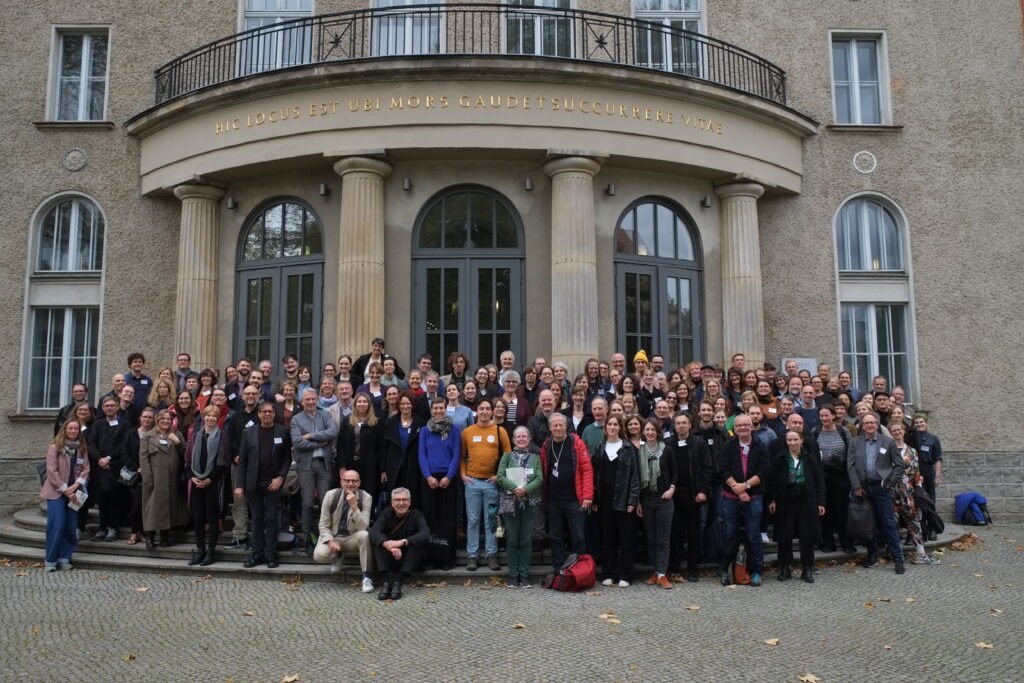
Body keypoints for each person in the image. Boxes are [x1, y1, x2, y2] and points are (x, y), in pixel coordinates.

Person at [847, 413, 906, 574]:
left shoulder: (887, 441)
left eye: (872, 422)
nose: (869, 425)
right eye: (866, 423)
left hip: (882, 488)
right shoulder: (855, 442)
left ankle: (898, 558)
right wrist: (856, 486)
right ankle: (872, 556)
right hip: (863, 488)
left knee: (889, 523)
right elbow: (850, 466)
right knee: (868, 523)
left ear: (877, 424)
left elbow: (899, 465)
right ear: (861, 426)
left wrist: (890, 482)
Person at [235, 402, 291, 569]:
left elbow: (287, 458)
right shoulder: (248, 432)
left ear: (274, 413)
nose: (267, 414)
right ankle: (256, 554)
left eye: (270, 411)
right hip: (253, 483)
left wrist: (281, 477)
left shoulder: (282, 431)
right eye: (264, 412)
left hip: (273, 483)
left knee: (272, 518)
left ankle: (271, 554)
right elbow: (242, 460)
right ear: (258, 414)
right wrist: (240, 485)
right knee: (257, 519)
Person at [718, 414, 769, 587]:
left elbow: (764, 472)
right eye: (739, 425)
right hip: (730, 496)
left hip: (754, 496)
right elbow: (723, 469)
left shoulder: (760, 446)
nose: (742, 428)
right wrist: (737, 489)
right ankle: (725, 570)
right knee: (728, 534)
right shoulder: (728, 445)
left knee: (754, 535)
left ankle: (756, 571)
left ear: (752, 426)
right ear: (735, 428)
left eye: (746, 425)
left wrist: (745, 486)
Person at [768, 429, 826, 582]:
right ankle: (785, 567)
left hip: (806, 499)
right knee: (784, 535)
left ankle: (807, 568)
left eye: (795, 440)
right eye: (789, 440)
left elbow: (819, 481)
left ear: (802, 440)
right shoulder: (779, 459)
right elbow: (772, 481)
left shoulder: (810, 459)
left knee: (806, 535)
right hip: (785, 499)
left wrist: (820, 502)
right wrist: (772, 499)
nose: (792, 443)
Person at [460, 398, 511, 571]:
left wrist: (499, 476)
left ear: (491, 411)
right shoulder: (467, 432)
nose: (484, 412)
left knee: (492, 520)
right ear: (477, 411)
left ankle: (491, 554)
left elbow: (508, 456)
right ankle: (472, 555)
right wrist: (463, 476)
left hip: (492, 483)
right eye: (481, 409)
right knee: (473, 521)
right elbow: (461, 456)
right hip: (472, 482)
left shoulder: (499, 430)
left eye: (487, 408)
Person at [590, 416, 638, 588]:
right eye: (609, 424)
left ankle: (626, 574)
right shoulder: (600, 447)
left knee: (626, 538)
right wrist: (594, 497)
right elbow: (594, 474)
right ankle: (609, 573)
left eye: (615, 424)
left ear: (620, 427)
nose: (611, 427)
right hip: (605, 498)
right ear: (606, 427)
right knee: (608, 537)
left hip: (624, 498)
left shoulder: (628, 448)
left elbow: (634, 476)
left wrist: (632, 499)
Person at [290, 388, 340, 553]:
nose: (310, 402)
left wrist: (311, 436)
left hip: (324, 464)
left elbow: (332, 432)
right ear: (302, 401)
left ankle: (326, 536)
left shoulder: (325, 415)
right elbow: (298, 443)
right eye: (307, 400)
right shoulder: (296, 419)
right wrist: (321, 442)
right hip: (306, 466)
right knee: (307, 503)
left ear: (317, 399)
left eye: (313, 399)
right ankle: (307, 538)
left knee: (326, 502)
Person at [666, 412, 713, 582]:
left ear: (690, 425)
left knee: (693, 533)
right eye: (678, 423)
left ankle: (693, 570)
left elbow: (707, 468)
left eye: (684, 423)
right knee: (674, 533)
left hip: (694, 494)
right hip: (673, 495)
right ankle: (676, 568)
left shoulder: (699, 443)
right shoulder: (668, 444)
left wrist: (703, 491)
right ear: (674, 426)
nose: (681, 426)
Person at [418, 397, 462, 570]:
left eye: (441, 408)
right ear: (431, 410)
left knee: (447, 519)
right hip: (429, 478)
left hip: (447, 478)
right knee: (430, 517)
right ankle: (430, 557)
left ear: (446, 408)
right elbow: (422, 455)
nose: (438, 411)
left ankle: (446, 559)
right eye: (435, 408)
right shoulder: (424, 431)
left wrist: (449, 477)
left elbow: (457, 455)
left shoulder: (455, 430)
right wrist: (428, 476)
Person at [497, 426, 544, 587]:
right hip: (510, 502)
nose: (522, 439)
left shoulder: (535, 457)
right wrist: (515, 489)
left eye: (525, 436)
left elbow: (539, 478)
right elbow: (500, 476)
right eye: (519, 436)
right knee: (512, 540)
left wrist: (525, 490)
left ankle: (524, 574)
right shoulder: (507, 456)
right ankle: (512, 574)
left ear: (529, 439)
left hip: (529, 503)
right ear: (514, 440)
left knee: (525, 540)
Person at [184, 405, 231, 566]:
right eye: (208, 415)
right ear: (203, 417)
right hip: (196, 482)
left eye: (214, 416)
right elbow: (188, 460)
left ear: (217, 419)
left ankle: (211, 552)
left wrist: (210, 479)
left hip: (214, 483)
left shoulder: (222, 436)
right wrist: (193, 477)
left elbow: (223, 462)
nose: (210, 418)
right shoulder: (195, 436)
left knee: (212, 518)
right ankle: (200, 551)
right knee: (197, 518)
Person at [889, 421, 941, 566]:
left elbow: (916, 471)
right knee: (893, 521)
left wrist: (918, 488)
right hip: (891, 491)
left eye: (899, 429)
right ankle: (896, 553)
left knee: (914, 520)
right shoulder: (887, 449)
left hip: (908, 490)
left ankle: (921, 553)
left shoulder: (911, 451)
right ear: (890, 432)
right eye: (894, 430)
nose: (897, 432)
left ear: (904, 431)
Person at [314, 470, 375, 592]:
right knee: (319, 555)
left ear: (359, 483)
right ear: (341, 482)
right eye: (347, 480)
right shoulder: (330, 495)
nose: (350, 484)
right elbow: (323, 524)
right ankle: (338, 556)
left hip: (352, 537)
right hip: (334, 536)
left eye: (354, 481)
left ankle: (367, 577)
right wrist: (330, 541)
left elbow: (363, 526)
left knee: (365, 535)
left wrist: (354, 505)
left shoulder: (366, 497)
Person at [41, 420, 90, 571]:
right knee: (57, 525)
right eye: (70, 428)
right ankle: (50, 560)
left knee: (70, 527)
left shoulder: (81, 449)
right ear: (65, 430)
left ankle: (64, 558)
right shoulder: (55, 448)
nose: (73, 431)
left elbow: (86, 469)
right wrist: (65, 489)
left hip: (75, 494)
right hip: (56, 492)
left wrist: (75, 486)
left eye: (76, 428)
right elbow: (51, 471)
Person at [634, 417, 675, 589]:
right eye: (647, 430)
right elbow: (635, 477)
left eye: (653, 430)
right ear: (643, 432)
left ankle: (662, 574)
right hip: (646, 499)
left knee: (663, 539)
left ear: (657, 431)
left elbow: (675, 472)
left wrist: (672, 488)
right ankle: (656, 571)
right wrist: (637, 502)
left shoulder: (667, 450)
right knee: (650, 539)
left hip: (664, 498)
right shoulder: (639, 452)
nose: (650, 432)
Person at [369, 487, 429, 600]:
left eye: (404, 499)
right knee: (378, 543)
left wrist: (402, 542)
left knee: (417, 544)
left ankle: (398, 583)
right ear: (392, 502)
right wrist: (388, 545)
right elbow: (374, 531)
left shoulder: (416, 514)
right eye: (397, 500)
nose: (401, 503)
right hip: (391, 558)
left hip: (410, 560)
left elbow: (425, 533)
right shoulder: (387, 513)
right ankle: (385, 583)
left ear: (410, 502)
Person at [140, 409, 187, 548]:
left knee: (168, 507)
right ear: (157, 419)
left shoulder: (177, 434)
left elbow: (186, 454)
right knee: (151, 507)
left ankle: (165, 536)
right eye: (163, 419)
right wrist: (148, 478)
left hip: (172, 478)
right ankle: (150, 536)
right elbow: (143, 458)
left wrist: (178, 443)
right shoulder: (147, 436)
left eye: (169, 419)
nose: (166, 421)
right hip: (154, 477)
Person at [813, 404, 853, 552]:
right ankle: (827, 543)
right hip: (823, 477)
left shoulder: (844, 432)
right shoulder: (815, 432)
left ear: (834, 415)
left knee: (843, 511)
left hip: (841, 477)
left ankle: (846, 543)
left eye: (827, 415)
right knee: (825, 511)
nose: (824, 418)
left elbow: (850, 454)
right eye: (821, 416)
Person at [338, 392, 383, 507]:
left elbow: (381, 447)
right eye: (359, 401)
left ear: (369, 405)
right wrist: (342, 466)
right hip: (350, 464)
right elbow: (340, 446)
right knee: (350, 493)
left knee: (368, 495)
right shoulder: (347, 421)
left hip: (369, 466)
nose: (362, 404)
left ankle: (367, 521)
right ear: (355, 404)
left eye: (364, 401)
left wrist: (376, 464)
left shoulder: (376, 423)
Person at [381, 391, 425, 505]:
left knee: (412, 496)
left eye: (408, 403)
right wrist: (383, 470)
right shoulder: (391, 422)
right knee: (395, 496)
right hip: (394, 466)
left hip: (413, 466)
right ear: (399, 405)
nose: (405, 406)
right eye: (402, 404)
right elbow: (385, 446)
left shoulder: (420, 423)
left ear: (412, 405)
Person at [120, 407, 154, 545]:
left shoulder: (154, 434)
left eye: (150, 417)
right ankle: (135, 532)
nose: (147, 419)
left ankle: (144, 532)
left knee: (147, 506)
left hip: (151, 474)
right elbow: (124, 452)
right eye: (145, 417)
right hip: (135, 476)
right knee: (136, 505)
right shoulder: (132, 433)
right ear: (140, 418)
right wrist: (136, 468)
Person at [913, 414, 943, 540]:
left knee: (930, 500)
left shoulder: (933, 439)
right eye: (917, 423)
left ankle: (932, 529)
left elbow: (937, 458)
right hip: (915, 471)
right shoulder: (912, 438)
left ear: (926, 423)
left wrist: (937, 475)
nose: (919, 424)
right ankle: (921, 529)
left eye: (921, 422)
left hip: (928, 470)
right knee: (918, 501)